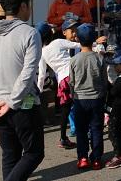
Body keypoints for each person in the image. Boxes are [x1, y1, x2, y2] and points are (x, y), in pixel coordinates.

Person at [0, 0, 45, 181]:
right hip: (23, 105)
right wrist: (12, 102)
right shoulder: (30, 33)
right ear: (23, 6)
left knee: (10, 155)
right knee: (34, 153)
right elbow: (28, 73)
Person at [69, 23, 107, 170]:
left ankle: (83, 158)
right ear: (94, 40)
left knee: (81, 130)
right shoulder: (99, 58)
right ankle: (97, 159)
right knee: (96, 129)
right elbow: (104, 81)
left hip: (80, 99)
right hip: (97, 98)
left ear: (77, 39)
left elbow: (71, 82)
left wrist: (73, 95)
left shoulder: (74, 60)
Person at [38, 19, 80, 150]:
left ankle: (63, 138)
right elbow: (78, 46)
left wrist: (38, 92)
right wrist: (95, 45)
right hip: (74, 75)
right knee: (82, 104)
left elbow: (41, 75)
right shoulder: (57, 42)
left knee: (65, 110)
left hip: (62, 81)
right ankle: (86, 131)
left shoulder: (42, 53)